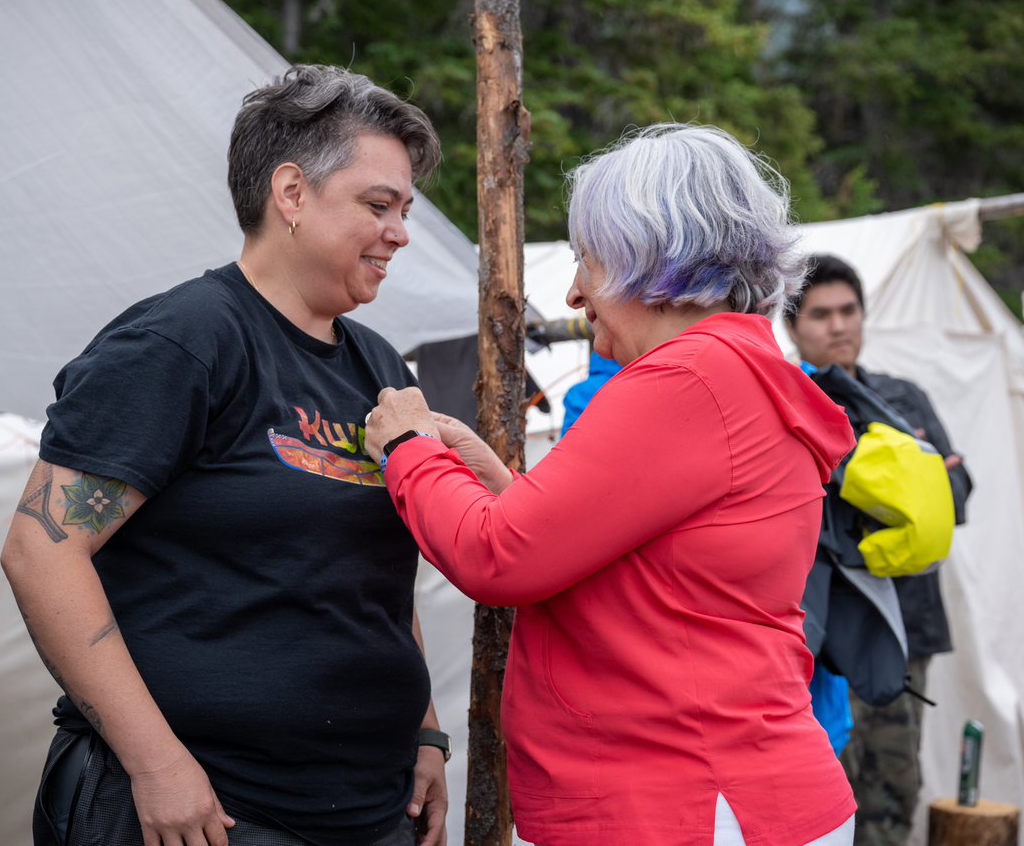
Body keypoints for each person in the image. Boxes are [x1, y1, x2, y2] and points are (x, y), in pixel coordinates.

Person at [364, 124, 858, 846]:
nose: (575, 291)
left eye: (588, 261)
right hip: (714, 791)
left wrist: (406, 448)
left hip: (675, 803)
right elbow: (620, 563)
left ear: (645, 255)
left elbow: (497, 557)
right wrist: (494, 478)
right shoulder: (740, 373)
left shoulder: (686, 380)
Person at [0, 65, 449, 846]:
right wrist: (156, 763)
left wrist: (425, 731)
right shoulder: (182, 343)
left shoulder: (379, 365)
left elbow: (373, 568)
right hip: (211, 807)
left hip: (370, 806)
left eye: (404, 210)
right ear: (291, 193)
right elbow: (40, 550)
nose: (402, 232)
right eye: (379, 205)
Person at [785, 254, 973, 846]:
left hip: (905, 625)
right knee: (822, 789)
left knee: (894, 786)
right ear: (793, 325)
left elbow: (959, 495)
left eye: (849, 310)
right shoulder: (787, 401)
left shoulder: (903, 399)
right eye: (820, 315)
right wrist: (906, 481)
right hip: (816, 635)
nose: (838, 326)